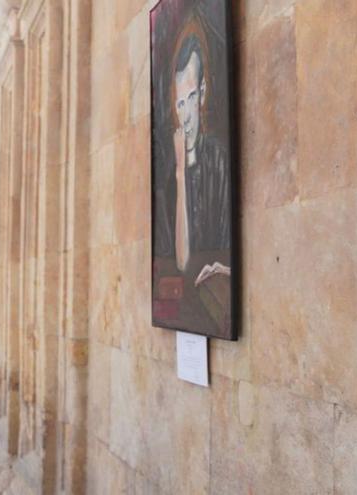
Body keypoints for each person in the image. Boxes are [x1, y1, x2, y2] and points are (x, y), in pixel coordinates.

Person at [154, 27, 233, 339]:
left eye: (190, 98)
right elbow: (183, 259)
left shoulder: (219, 158)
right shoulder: (169, 177)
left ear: (202, 93)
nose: (186, 116)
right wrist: (180, 174)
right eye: (179, 104)